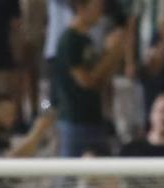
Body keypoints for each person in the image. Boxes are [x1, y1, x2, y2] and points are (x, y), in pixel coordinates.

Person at [52, 0, 126, 157]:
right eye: (96, 7)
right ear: (81, 7)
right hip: (75, 121)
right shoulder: (70, 40)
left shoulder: (87, 40)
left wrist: (115, 56)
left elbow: (99, 80)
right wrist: (109, 54)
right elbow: (85, 81)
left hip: (94, 118)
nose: (100, 12)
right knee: (69, 176)